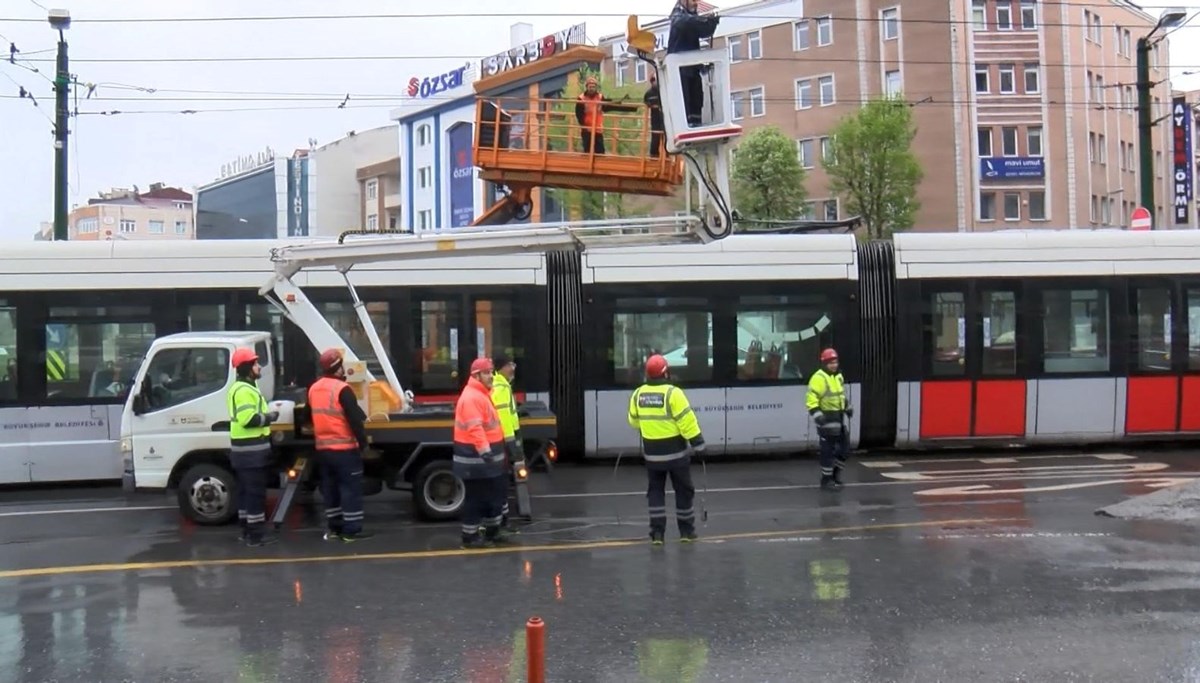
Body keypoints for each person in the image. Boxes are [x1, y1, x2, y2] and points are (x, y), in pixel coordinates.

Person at [628, 353, 705, 545]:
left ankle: (657, 534)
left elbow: (633, 421)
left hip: (652, 457)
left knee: (655, 492)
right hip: (676, 456)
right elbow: (687, 421)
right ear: (666, 372)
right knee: (684, 491)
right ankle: (686, 532)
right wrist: (699, 444)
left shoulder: (638, 394)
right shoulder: (673, 393)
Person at [308, 348, 373, 542]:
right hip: (344, 451)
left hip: (323, 450)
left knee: (331, 490)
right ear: (338, 368)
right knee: (350, 489)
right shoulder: (342, 389)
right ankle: (351, 530)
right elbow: (355, 420)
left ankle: (335, 529)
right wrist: (364, 445)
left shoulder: (314, 388)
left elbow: (307, 415)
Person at [453, 357, 509, 549]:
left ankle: (493, 532)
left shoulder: (482, 394)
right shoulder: (472, 398)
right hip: (475, 460)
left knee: (492, 496)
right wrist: (485, 452)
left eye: (491, 372)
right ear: (476, 375)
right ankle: (470, 538)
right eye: (487, 373)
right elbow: (475, 428)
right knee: (476, 499)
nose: (491, 376)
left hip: (485, 460)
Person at [227, 347, 279, 547]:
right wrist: (271, 417)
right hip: (251, 453)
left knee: (245, 493)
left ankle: (247, 531)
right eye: (256, 363)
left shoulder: (243, 388)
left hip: (244, 452)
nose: (259, 367)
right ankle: (257, 535)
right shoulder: (244, 391)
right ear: (247, 368)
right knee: (255, 494)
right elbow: (248, 419)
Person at [667, 0, 720, 127]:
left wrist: (711, 22)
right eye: (693, 0)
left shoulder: (691, 18)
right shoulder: (677, 15)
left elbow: (704, 31)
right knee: (685, 100)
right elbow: (684, 23)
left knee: (696, 99)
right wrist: (704, 20)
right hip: (680, 71)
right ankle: (686, 124)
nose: (696, 3)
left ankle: (695, 123)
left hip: (692, 69)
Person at [807, 347, 852, 490]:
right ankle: (826, 480)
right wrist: (817, 415)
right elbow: (811, 398)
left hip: (838, 418)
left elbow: (840, 395)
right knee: (828, 452)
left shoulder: (838, 376)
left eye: (835, 362)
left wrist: (847, 406)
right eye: (830, 362)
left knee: (844, 450)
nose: (834, 365)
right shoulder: (818, 378)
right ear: (824, 363)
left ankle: (835, 476)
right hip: (826, 419)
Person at [491, 352, 523, 532]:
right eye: (510, 365)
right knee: (500, 484)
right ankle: (500, 524)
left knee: (502, 484)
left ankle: (502, 521)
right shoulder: (500, 388)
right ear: (502, 367)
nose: (513, 368)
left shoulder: (503, 385)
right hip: (503, 442)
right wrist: (512, 445)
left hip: (503, 441)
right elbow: (503, 419)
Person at [644, 69, 665, 157]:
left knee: (665, 138)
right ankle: (653, 155)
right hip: (655, 119)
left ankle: (666, 156)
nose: (655, 83)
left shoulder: (663, 91)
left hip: (664, 118)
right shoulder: (648, 93)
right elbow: (646, 102)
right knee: (655, 137)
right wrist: (651, 105)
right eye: (654, 81)